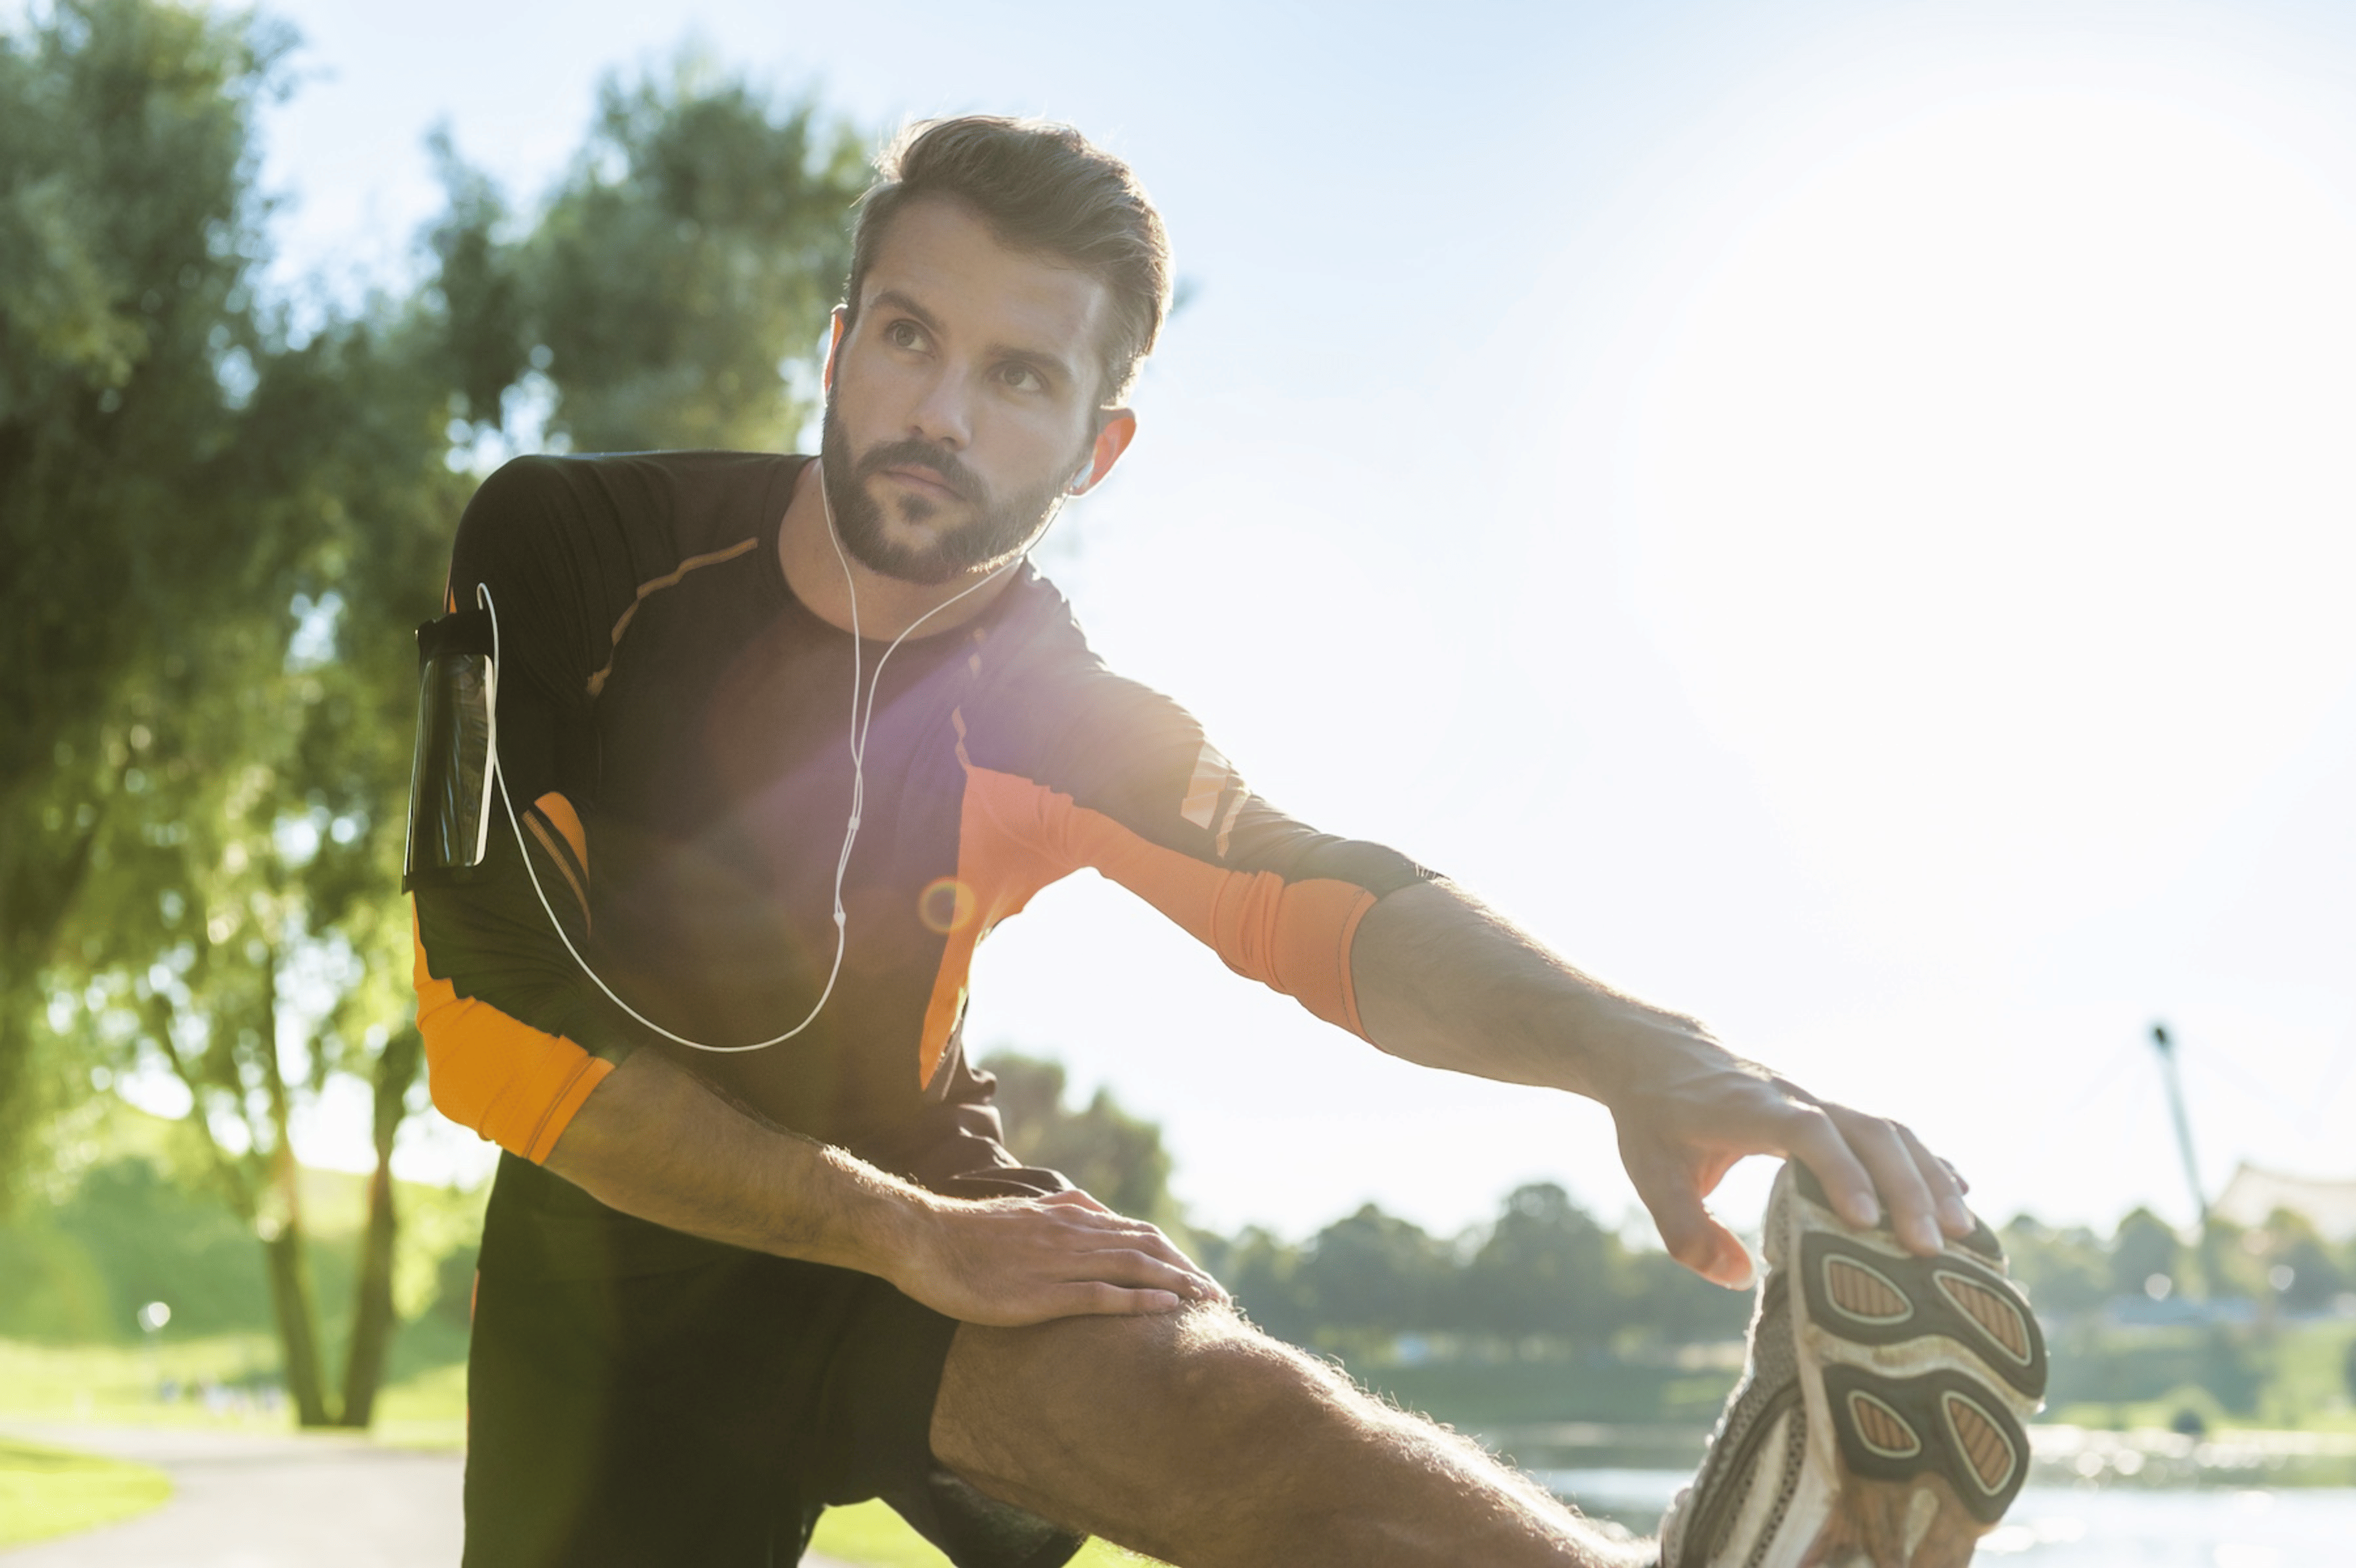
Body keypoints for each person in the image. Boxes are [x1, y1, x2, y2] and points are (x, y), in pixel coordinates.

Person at [406, 115, 2044, 1568]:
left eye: (1022, 375)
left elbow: (1318, 898)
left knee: (1250, 1422)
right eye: (909, 337)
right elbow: (488, 1035)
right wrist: (905, 1232)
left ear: (1097, 448)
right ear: (837, 349)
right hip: (626, 1253)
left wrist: (1646, 1054)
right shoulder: (562, 547)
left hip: (937, 1207)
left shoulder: (1046, 701)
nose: (941, 412)